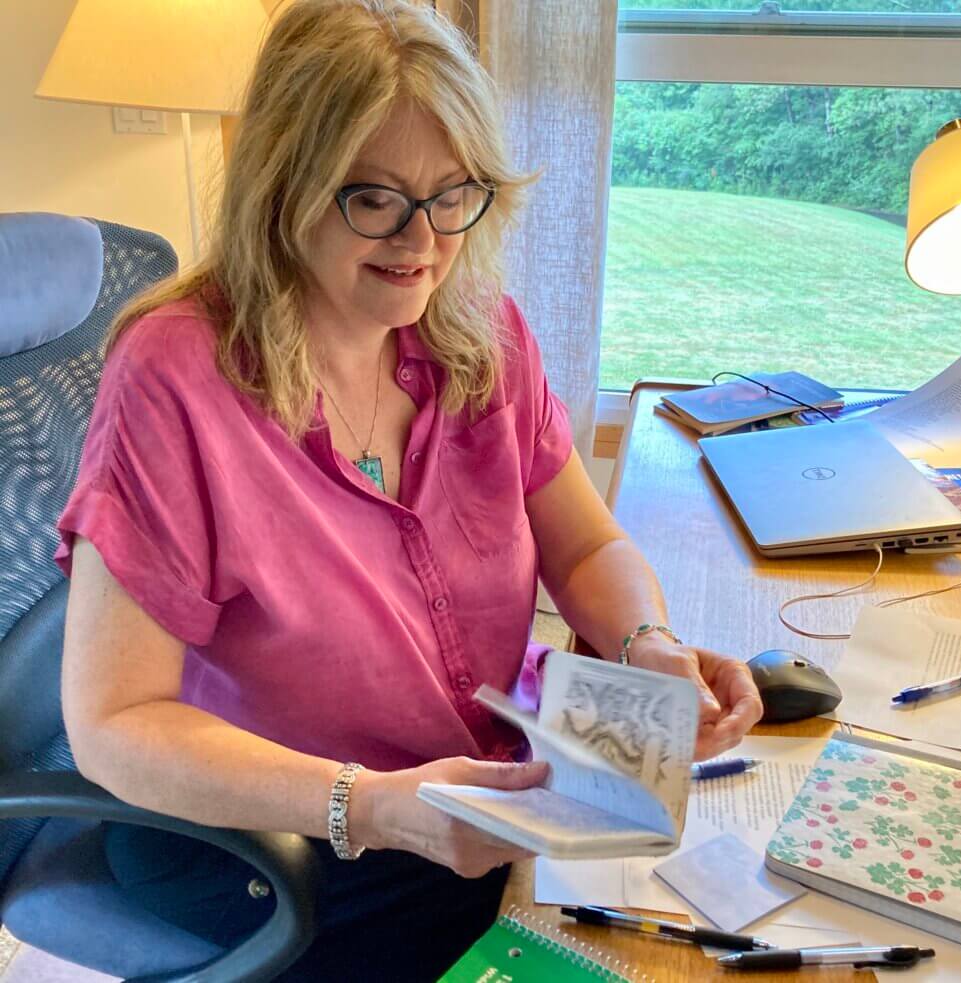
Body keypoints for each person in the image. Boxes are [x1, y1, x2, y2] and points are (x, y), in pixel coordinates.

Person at [54, 1, 763, 978]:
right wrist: (373, 805)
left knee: (692, 902)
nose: (424, 239)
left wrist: (647, 641)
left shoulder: (479, 326)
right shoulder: (179, 372)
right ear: (283, 186)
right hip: (276, 829)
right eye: (374, 198)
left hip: (469, 776)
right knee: (591, 944)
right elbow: (112, 726)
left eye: (452, 194)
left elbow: (589, 548)